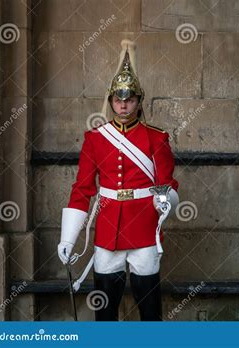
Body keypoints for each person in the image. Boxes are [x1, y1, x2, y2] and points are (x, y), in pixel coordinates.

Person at [57, 39, 179, 321]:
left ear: (138, 101)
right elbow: (83, 189)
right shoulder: (95, 139)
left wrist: (165, 202)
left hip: (144, 227)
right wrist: (68, 238)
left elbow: (169, 185)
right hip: (108, 227)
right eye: (118, 100)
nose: (123, 106)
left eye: (129, 100)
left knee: (149, 310)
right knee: (105, 310)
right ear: (111, 101)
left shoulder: (156, 138)